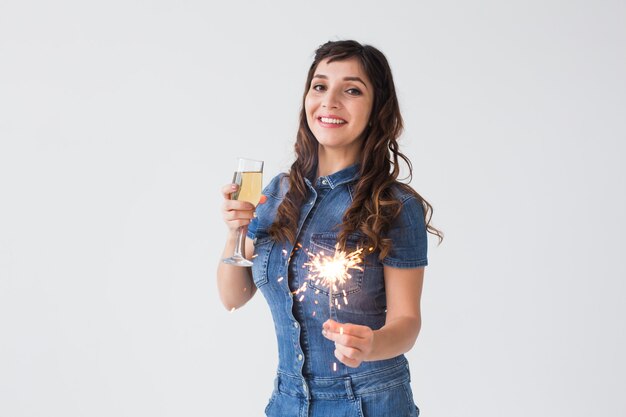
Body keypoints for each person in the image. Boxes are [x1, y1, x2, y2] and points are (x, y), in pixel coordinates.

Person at [217, 39, 442, 417]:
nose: (330, 100)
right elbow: (232, 298)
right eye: (320, 86)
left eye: (351, 90)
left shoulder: (395, 205)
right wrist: (233, 233)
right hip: (287, 400)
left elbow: (407, 323)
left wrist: (371, 344)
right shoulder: (276, 191)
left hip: (368, 402)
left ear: (376, 109)